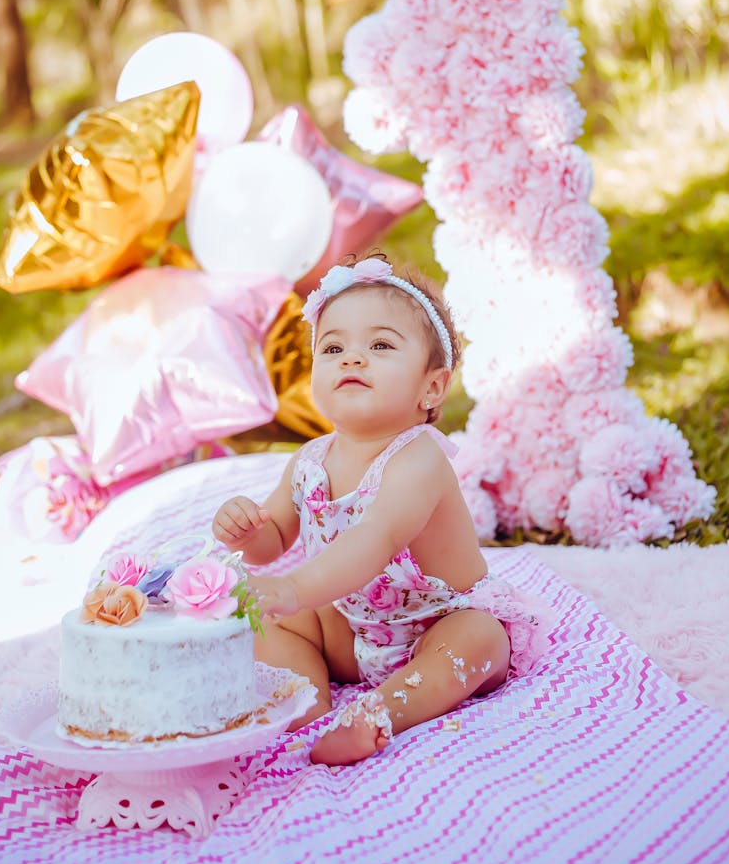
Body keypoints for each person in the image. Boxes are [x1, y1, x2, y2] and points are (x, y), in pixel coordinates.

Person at [212, 255, 550, 766]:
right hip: (356, 627)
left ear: (431, 388)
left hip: (436, 623)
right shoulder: (308, 461)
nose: (352, 358)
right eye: (333, 347)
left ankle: (384, 711)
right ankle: (304, 702)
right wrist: (247, 531)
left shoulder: (419, 457)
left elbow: (376, 539)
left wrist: (292, 587)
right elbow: (273, 540)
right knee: (273, 623)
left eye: (381, 345)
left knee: (479, 640)